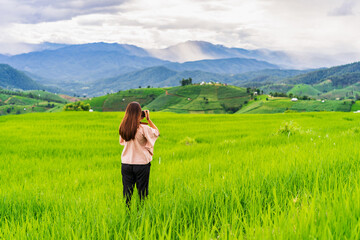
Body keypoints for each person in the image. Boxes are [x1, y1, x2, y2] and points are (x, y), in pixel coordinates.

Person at [119, 102, 160, 206]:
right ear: (139, 113)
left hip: (126, 164)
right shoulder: (143, 128)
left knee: (127, 193)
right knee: (142, 192)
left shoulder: (123, 127)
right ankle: (141, 215)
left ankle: (127, 214)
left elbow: (122, 142)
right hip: (141, 164)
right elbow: (156, 132)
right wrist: (148, 120)